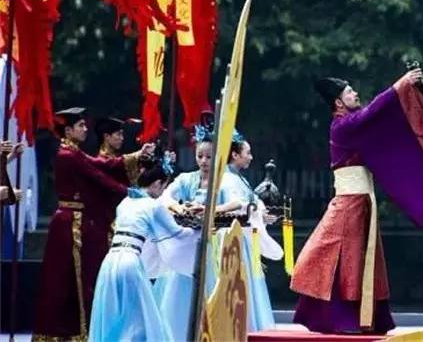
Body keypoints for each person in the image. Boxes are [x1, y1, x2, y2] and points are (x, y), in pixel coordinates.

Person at [291, 69, 423, 334]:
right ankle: (338, 320)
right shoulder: (343, 126)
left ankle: (363, 320)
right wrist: (401, 85)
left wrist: (412, 91)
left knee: (361, 261)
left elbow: (385, 124)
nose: (355, 94)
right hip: (348, 205)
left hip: (363, 204)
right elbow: (374, 111)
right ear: (338, 102)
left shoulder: (355, 126)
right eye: (350, 92)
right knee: (342, 259)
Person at [32, 107, 155, 341]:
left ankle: (77, 331)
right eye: (80, 126)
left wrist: (137, 155)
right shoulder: (67, 155)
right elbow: (97, 175)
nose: (85, 129)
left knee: (74, 278)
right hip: (70, 223)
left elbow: (101, 167)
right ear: (68, 131)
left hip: (76, 222)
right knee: (67, 279)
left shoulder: (74, 152)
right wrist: (127, 192)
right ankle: (68, 332)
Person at [88, 156, 198, 341]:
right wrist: (198, 230)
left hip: (110, 261)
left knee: (111, 313)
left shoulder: (124, 203)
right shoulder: (153, 205)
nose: (162, 193)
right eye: (163, 187)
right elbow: (178, 233)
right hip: (130, 261)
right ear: (157, 183)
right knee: (139, 318)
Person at [153, 123, 239, 342]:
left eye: (209, 157)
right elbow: (165, 198)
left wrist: (210, 208)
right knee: (178, 293)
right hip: (186, 244)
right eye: (200, 156)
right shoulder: (186, 179)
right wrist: (181, 208)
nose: (204, 161)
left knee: (209, 290)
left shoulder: (224, 179)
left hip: (212, 243)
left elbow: (237, 203)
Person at [220, 130, 283, 331]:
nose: (251, 157)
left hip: (244, 239)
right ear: (235, 155)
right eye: (247, 153)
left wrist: (261, 214)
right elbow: (239, 208)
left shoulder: (239, 179)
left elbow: (253, 203)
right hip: (233, 239)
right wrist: (257, 213)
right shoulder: (228, 179)